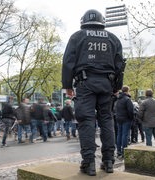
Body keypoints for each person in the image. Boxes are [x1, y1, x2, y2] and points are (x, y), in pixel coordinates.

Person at [62, 9, 125, 176]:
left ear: (83, 21)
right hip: (107, 84)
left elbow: (68, 61)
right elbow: (120, 65)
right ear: (101, 21)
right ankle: (109, 160)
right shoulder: (113, 38)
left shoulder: (77, 36)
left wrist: (67, 85)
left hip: (85, 83)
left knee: (86, 121)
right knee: (107, 120)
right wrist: (117, 86)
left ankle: (89, 162)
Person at [115, 86, 134, 158]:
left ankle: (118, 151)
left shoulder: (118, 99)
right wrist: (131, 118)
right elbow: (130, 111)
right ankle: (124, 151)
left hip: (119, 118)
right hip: (126, 119)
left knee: (119, 134)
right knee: (125, 135)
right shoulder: (127, 99)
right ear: (127, 91)